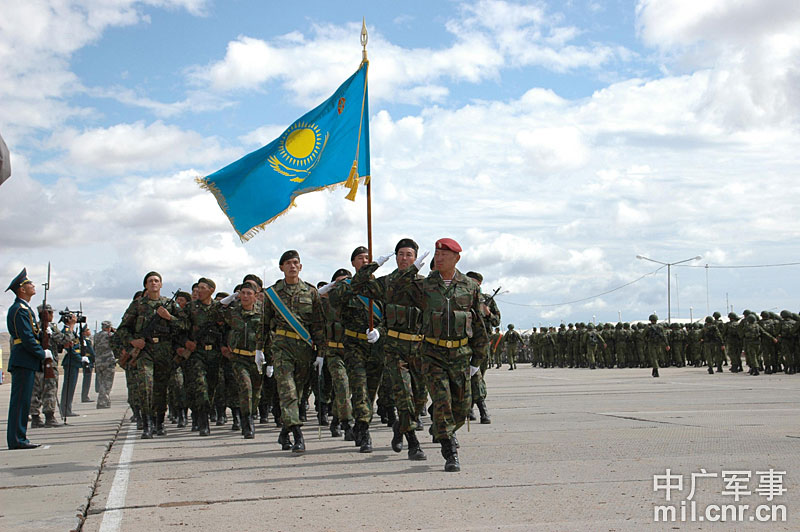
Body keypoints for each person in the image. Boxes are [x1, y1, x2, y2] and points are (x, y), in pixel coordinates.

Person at [395, 238, 489, 472]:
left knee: (462, 407)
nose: (439, 258)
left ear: (456, 258)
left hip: (460, 354)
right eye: (437, 255)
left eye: (444, 255)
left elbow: (479, 324)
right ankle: (450, 451)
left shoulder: (470, 286)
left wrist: (477, 360)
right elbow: (397, 287)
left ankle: (441, 427)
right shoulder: (425, 285)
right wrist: (413, 268)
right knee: (442, 401)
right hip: (432, 354)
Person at [350, 238, 428, 460]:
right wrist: (373, 265)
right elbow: (357, 286)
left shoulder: (424, 284)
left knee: (419, 398)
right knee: (403, 395)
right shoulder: (386, 283)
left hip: (419, 347)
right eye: (400, 254)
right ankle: (413, 443)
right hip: (394, 346)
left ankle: (400, 428)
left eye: (409, 255)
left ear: (416, 258)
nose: (404, 258)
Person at [261, 250, 326, 452]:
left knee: (297, 393)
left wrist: (321, 353)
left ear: (300, 266)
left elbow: (318, 325)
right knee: (287, 390)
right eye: (288, 263)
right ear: (281, 267)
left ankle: (284, 432)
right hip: (281, 347)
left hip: (304, 349)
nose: (292, 266)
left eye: (295, 262)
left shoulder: (311, 292)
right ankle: (298, 435)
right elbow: (263, 324)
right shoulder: (272, 293)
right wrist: (259, 350)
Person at [328, 246, 384, 453]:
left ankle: (361, 424)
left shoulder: (380, 286)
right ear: (353, 263)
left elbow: (389, 316)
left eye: (368, 258)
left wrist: (379, 331)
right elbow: (335, 300)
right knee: (359, 389)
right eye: (360, 258)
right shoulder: (345, 287)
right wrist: (359, 279)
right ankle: (365, 431)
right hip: (353, 346)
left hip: (375, 347)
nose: (364, 261)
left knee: (371, 392)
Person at [116, 272, 183, 439]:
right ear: (146, 285)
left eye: (157, 281)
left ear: (161, 284)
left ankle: (159, 422)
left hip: (164, 350)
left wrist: (169, 317)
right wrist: (133, 341)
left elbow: (184, 325)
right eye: (150, 281)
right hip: (145, 351)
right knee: (145, 386)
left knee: (161, 389)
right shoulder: (137, 305)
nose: (154, 283)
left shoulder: (169, 304)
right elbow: (122, 329)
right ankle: (147, 424)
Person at [6, 269, 52, 449]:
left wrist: (44, 334)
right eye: (29, 284)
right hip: (23, 360)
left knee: (24, 401)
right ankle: (17, 439)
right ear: (22, 289)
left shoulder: (25, 308)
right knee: (20, 401)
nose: (33, 286)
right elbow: (26, 337)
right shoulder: (19, 309)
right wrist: (42, 353)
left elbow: (32, 334)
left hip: (27, 360)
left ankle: (20, 437)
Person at [220, 280, 263, 439]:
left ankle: (251, 413)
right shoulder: (233, 312)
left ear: (255, 296)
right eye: (242, 293)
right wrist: (228, 299)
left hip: (257, 358)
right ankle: (247, 423)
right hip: (239, 357)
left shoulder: (263, 312)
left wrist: (270, 360)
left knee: (256, 392)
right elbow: (214, 312)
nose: (245, 296)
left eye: (248, 293)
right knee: (245, 388)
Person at [182, 278, 224, 436]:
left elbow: (227, 329)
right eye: (198, 288)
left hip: (214, 353)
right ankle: (203, 421)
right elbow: (179, 328)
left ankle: (204, 413)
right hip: (197, 353)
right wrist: (185, 342)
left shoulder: (219, 308)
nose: (199, 291)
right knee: (200, 387)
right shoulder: (190, 308)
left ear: (211, 290)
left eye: (202, 288)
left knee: (211, 387)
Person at [464, 271, 499, 425]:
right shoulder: (462, 298)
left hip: (483, 345)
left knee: (479, 378)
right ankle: (479, 410)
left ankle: (471, 407)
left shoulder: (487, 300)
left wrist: (488, 313)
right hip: (466, 343)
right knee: (474, 378)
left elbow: (497, 321)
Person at [29, 303, 65, 428]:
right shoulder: (50, 328)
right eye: (51, 313)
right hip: (48, 363)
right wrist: (69, 328)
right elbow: (65, 340)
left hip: (36, 364)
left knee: (35, 391)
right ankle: (49, 417)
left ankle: (35, 418)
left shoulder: (33, 327)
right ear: (47, 314)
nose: (52, 316)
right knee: (49, 390)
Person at [59, 311, 83, 418]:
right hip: (71, 361)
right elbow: (69, 347)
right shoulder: (66, 331)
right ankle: (65, 409)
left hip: (74, 362)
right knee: (68, 387)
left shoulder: (72, 331)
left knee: (71, 387)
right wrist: (80, 359)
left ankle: (67, 408)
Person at [93, 321, 116, 408]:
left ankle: (106, 401)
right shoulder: (110, 335)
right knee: (107, 383)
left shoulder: (96, 336)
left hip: (99, 361)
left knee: (101, 382)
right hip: (108, 361)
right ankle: (102, 402)